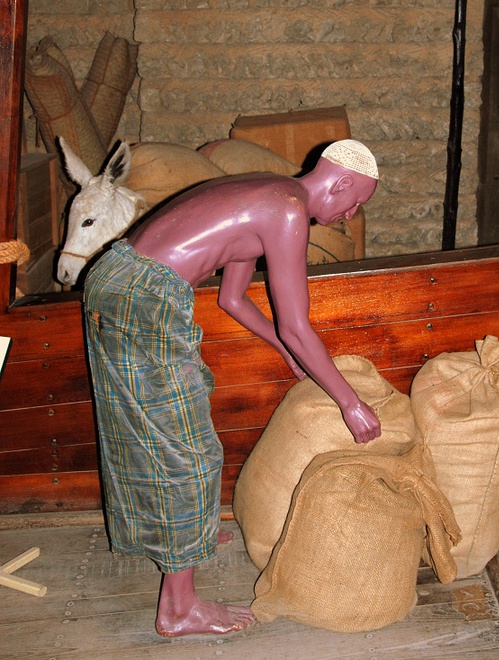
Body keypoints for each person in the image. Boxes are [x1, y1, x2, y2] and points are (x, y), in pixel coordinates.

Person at [83, 139, 381, 638]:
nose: (351, 213)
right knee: (188, 451)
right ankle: (178, 609)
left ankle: (183, 536)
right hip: (147, 296)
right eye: (355, 202)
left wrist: (284, 349)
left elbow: (233, 298)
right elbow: (298, 325)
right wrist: (350, 401)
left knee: (147, 423)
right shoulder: (288, 210)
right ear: (341, 182)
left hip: (116, 277)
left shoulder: (268, 193)